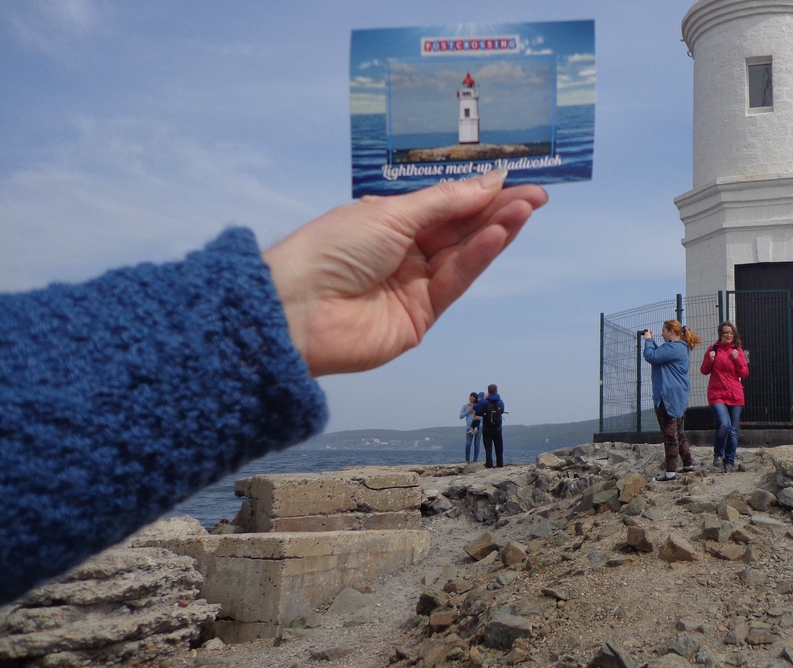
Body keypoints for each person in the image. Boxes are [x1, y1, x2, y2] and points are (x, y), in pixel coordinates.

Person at [0, 169, 547, 605]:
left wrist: (275, 315)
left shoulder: (489, 401)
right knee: (485, 452)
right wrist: (271, 318)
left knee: (488, 452)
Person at [643, 319, 702, 482]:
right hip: (678, 396)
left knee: (670, 435)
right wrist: (652, 342)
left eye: (663, 330)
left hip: (668, 396)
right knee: (678, 431)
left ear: (671, 331)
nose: (662, 333)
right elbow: (660, 356)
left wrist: (648, 340)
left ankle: (670, 472)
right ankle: (688, 464)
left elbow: (651, 356)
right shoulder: (680, 348)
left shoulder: (673, 347)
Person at [701, 320, 749, 473]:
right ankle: (718, 454)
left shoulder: (738, 351)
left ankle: (729, 462)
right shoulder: (712, 349)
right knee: (724, 424)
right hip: (717, 394)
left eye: (731, 332)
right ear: (720, 334)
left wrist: (737, 359)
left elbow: (744, 373)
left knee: (733, 431)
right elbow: (704, 370)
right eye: (725, 332)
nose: (728, 335)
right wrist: (711, 359)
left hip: (735, 394)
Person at [477, 383, 505, 468]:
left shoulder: (485, 402)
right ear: (496, 390)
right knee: (499, 447)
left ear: (488, 391)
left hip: (487, 428)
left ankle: (489, 464)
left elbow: (478, 411)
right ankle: (500, 464)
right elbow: (502, 411)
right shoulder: (500, 402)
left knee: (488, 448)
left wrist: (483, 399)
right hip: (497, 427)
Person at [460, 392, 481, 464]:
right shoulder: (466, 406)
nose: (471, 397)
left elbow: (484, 417)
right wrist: (467, 412)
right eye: (470, 396)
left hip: (479, 426)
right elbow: (461, 416)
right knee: (468, 444)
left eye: (473, 396)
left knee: (477, 443)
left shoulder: (479, 406)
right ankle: (467, 460)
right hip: (469, 427)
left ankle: (475, 460)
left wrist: (479, 418)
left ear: (476, 398)